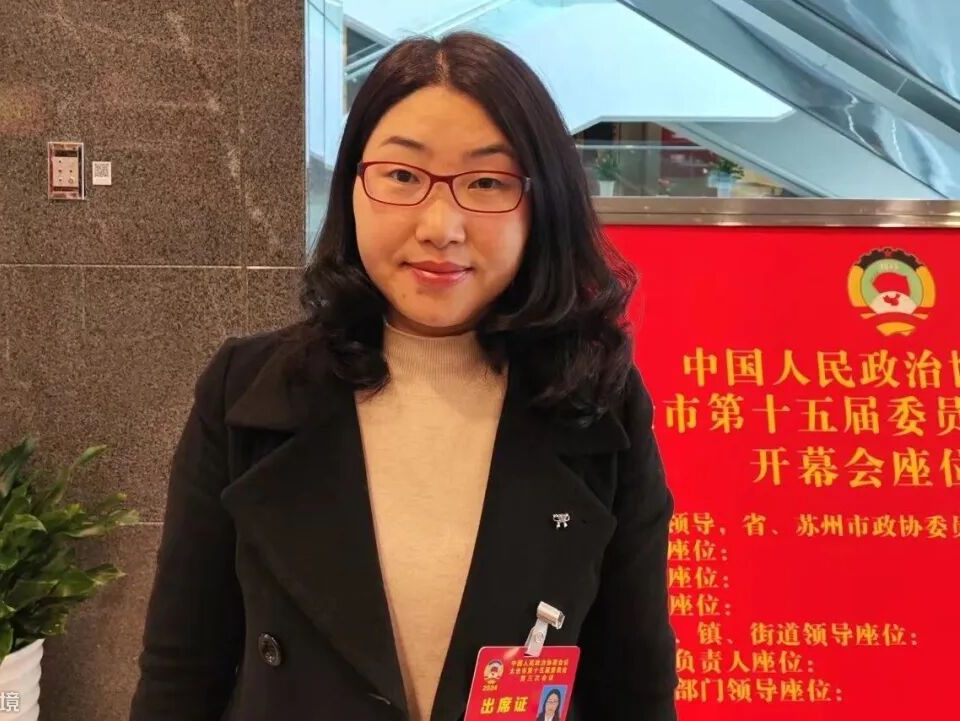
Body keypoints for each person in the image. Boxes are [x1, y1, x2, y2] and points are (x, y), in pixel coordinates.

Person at [128, 30, 677, 721]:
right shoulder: (246, 392)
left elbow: (634, 689)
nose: (440, 226)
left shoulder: (597, 404)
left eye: (486, 182)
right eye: (402, 177)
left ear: (543, 204)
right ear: (353, 187)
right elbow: (180, 676)